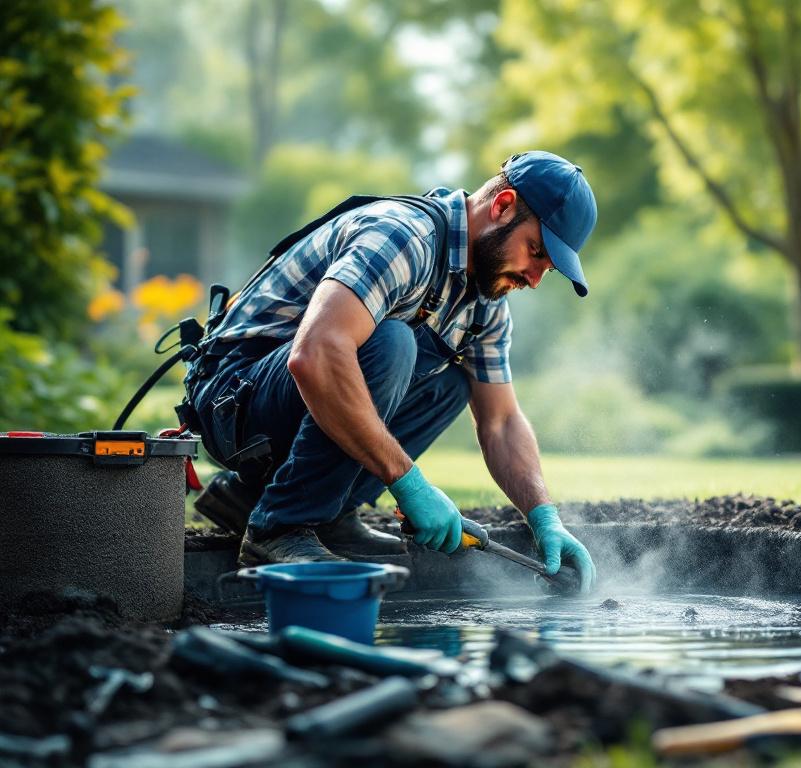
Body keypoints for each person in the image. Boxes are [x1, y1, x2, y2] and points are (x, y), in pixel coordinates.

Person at [184, 151, 597, 592]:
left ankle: (326, 511)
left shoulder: (485, 306)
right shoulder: (404, 237)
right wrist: (410, 484)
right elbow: (316, 354)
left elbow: (502, 422)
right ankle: (279, 527)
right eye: (535, 253)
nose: (534, 279)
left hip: (290, 403)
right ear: (502, 206)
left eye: (546, 269)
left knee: (453, 385)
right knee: (391, 342)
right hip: (235, 400)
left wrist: (543, 516)